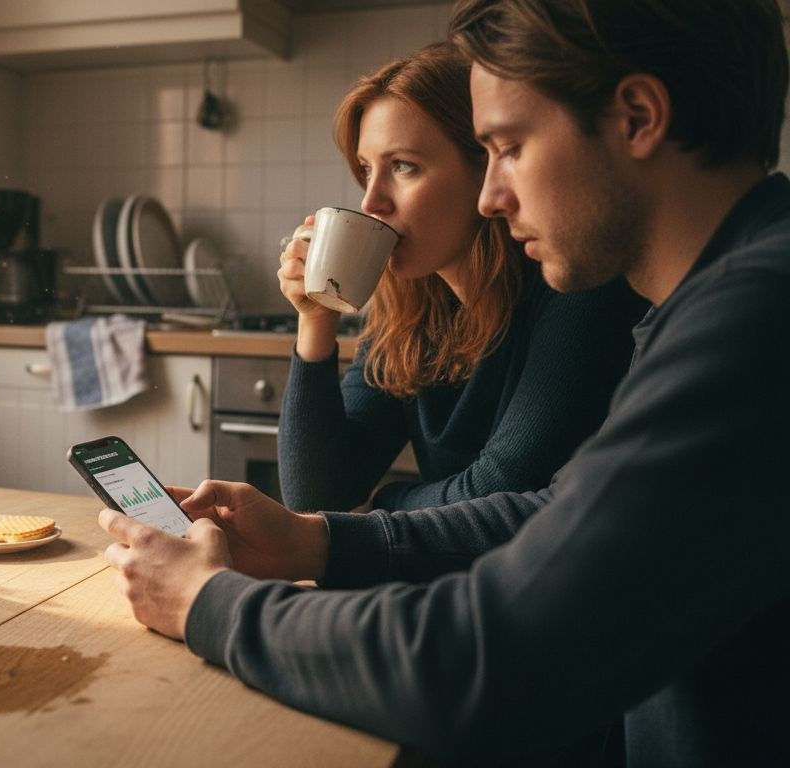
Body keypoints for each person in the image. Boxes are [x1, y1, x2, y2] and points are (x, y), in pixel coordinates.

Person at [98, 0, 790, 765]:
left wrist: (207, 603)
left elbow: (481, 660)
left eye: (509, 147)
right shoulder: (708, 304)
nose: (492, 197)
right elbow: (555, 512)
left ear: (636, 116)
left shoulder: (756, 319)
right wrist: (317, 539)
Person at [277, 44, 645, 513]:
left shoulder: (574, 292)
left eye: (403, 166)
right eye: (367, 169)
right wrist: (316, 320)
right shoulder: (412, 309)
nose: (372, 202)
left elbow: (501, 494)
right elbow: (318, 494)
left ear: (484, 169)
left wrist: (383, 505)